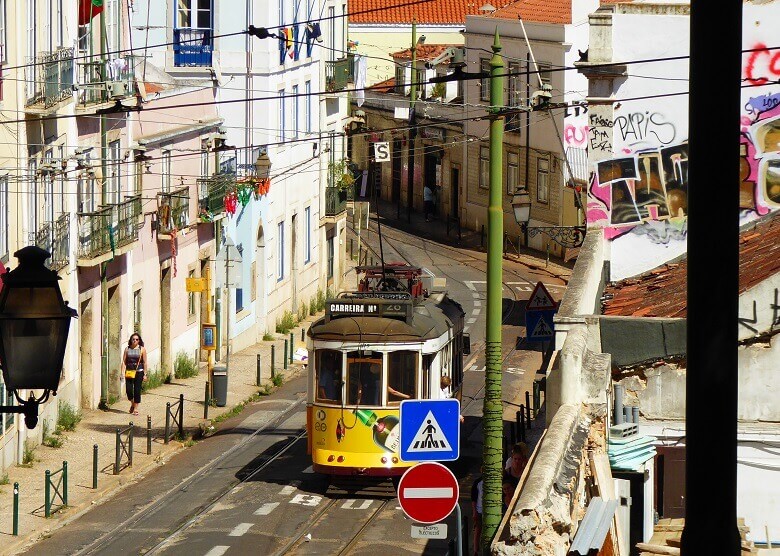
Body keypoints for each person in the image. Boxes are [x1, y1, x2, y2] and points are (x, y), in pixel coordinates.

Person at [120, 333, 147, 416]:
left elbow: (145, 362)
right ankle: (132, 403)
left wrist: (145, 374)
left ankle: (135, 408)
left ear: (139, 341)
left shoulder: (142, 349)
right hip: (129, 372)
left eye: (137, 339)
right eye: (133, 339)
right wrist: (122, 373)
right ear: (131, 340)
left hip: (139, 372)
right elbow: (124, 362)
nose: (135, 341)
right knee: (128, 390)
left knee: (137, 390)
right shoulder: (127, 349)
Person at [471, 470, 483, 556]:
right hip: (479, 510)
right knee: (477, 529)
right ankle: (475, 550)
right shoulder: (478, 482)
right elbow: (473, 498)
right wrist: (474, 512)